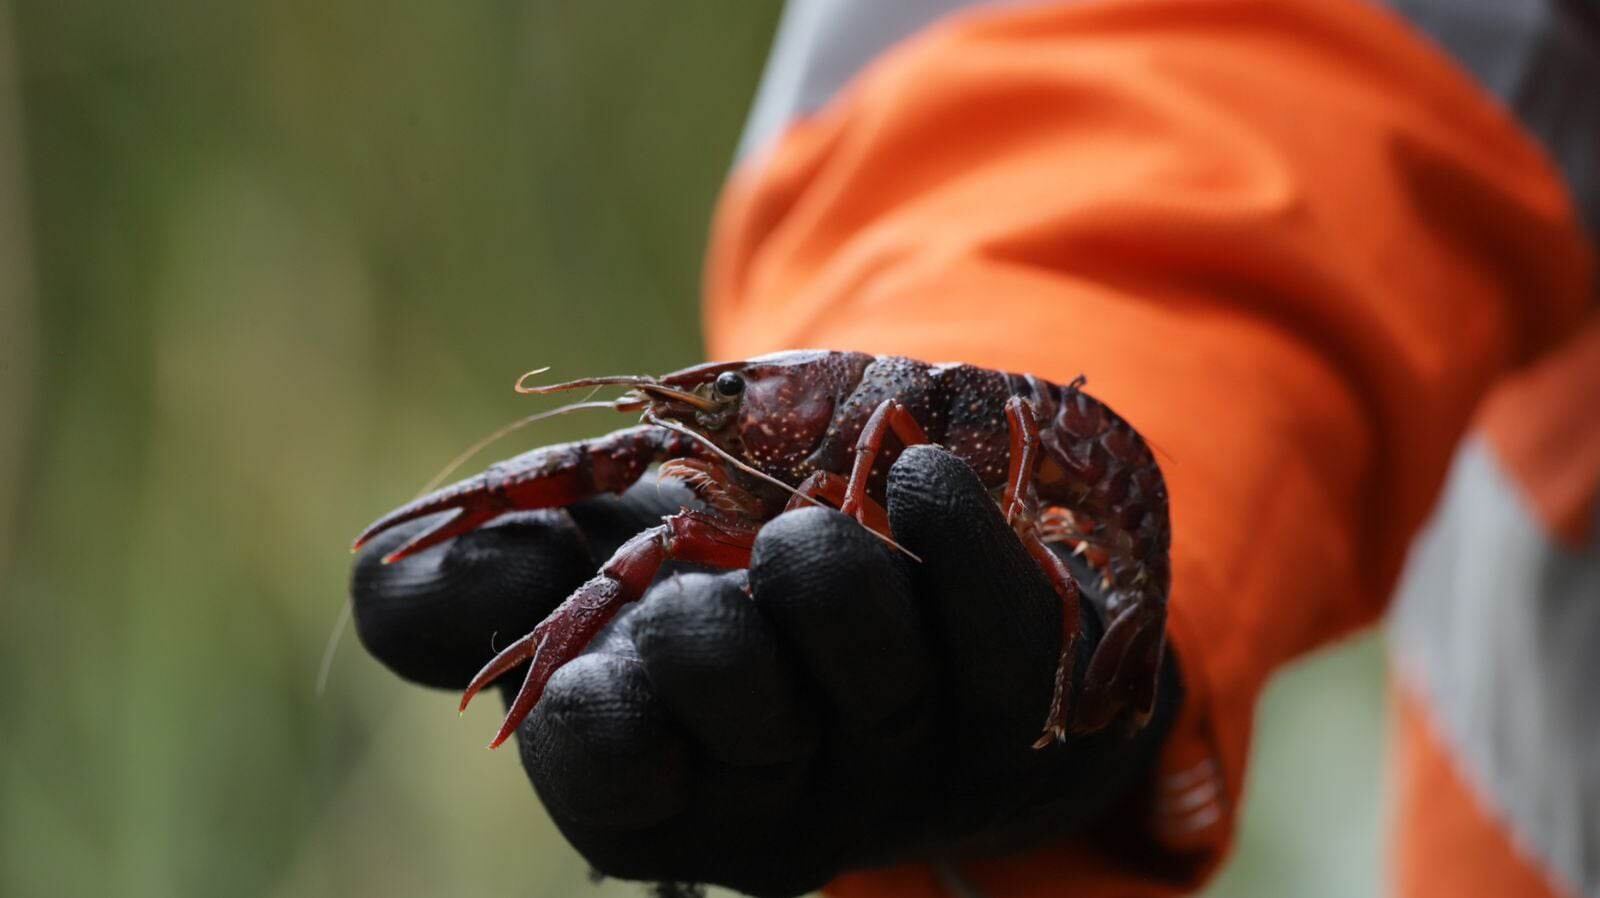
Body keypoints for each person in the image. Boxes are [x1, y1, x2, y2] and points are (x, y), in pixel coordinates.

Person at [351, 1, 1599, 895]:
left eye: (726, 399)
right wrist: (993, 322)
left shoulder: (917, 441)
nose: (704, 412)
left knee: (665, 557)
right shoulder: (771, 439)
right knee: (660, 558)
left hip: (1089, 478)